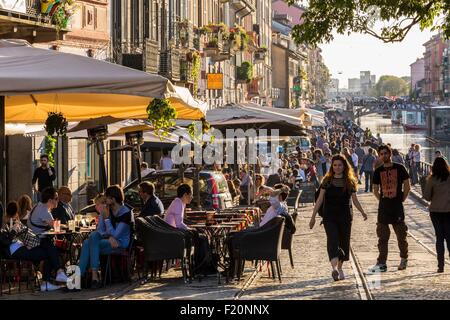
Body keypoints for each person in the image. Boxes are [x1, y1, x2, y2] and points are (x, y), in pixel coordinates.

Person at [310, 155, 368, 281]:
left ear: (344, 166)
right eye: (335, 165)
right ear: (332, 166)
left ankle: (340, 268)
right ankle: (334, 268)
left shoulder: (350, 182)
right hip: (329, 216)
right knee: (333, 240)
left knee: (344, 242)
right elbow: (319, 199)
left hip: (345, 217)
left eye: (340, 165)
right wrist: (313, 216)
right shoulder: (327, 181)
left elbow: (355, 200)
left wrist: (362, 212)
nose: (337, 167)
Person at [2, 201, 68, 292]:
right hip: (15, 250)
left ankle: (54, 276)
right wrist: (13, 230)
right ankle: (52, 277)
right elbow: (6, 242)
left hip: (21, 247)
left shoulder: (8, 223)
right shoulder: (5, 224)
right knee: (49, 250)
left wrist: (16, 229)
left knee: (48, 246)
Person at [78, 185, 132, 288]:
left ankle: (80, 278)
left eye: (107, 198)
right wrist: (108, 236)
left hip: (120, 243)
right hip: (109, 241)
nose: (105, 200)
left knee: (88, 243)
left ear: (113, 199)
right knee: (91, 239)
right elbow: (100, 231)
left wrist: (107, 219)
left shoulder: (125, 212)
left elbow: (116, 234)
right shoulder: (107, 209)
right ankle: (93, 276)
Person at [370, 145, 411, 272]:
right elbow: (375, 190)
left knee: (401, 236)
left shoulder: (400, 168)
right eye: (381, 154)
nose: (384, 156)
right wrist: (382, 200)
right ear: (379, 155)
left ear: (390, 154)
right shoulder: (378, 171)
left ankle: (404, 258)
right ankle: (382, 262)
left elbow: (407, 186)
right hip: (383, 208)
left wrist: (401, 199)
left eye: (385, 153)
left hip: (397, 207)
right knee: (382, 237)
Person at [423, 157, 450, 273]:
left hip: (435, 212)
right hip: (449, 211)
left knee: (439, 238)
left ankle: (441, 266)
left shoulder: (432, 179)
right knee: (449, 238)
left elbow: (427, 197)